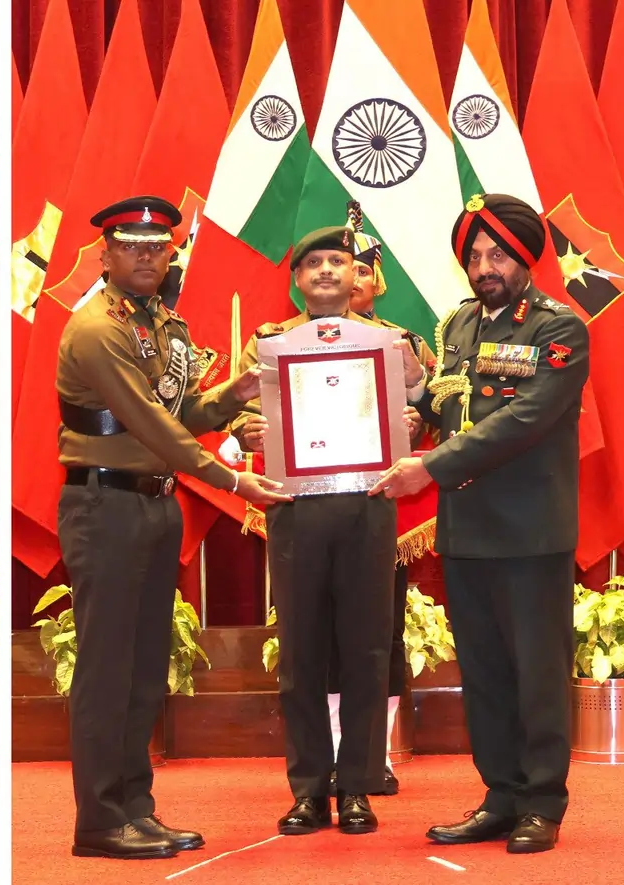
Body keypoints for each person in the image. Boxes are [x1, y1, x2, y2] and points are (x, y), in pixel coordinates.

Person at [56, 196, 290, 860]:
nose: (147, 257)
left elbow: (179, 409)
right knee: (108, 669)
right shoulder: (98, 327)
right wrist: (235, 481)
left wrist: (235, 393)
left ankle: (135, 806)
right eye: (132, 246)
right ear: (104, 254)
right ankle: (99, 819)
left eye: (158, 248)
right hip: (105, 507)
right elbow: (152, 425)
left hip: (152, 504)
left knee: (141, 668)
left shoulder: (161, 324)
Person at [372, 193, 588, 854]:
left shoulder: (559, 328)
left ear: (524, 258)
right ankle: (501, 794)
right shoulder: (459, 324)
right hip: (466, 529)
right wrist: (418, 412)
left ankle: (542, 801)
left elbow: (521, 420)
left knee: (537, 671)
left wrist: (430, 465)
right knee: (487, 672)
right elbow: (456, 405)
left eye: (498, 254)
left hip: (528, 531)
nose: (484, 265)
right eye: (474, 255)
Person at [229, 222, 427, 837]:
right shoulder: (268, 344)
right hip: (296, 509)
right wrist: (244, 431)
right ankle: (309, 790)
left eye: (336, 262)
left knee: (368, 651)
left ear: (356, 276)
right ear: (296, 281)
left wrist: (413, 421)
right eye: (311, 263)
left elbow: (422, 403)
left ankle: (359, 786)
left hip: (368, 507)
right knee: (301, 656)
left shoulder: (391, 342)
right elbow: (235, 411)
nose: (324, 272)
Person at [327, 209, 436, 797]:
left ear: (373, 277)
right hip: (312, 504)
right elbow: (258, 411)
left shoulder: (404, 342)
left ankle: (376, 754)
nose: (352, 278)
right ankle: (325, 752)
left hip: (381, 502)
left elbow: (436, 416)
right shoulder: (279, 337)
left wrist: (418, 417)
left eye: (360, 267)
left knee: (383, 632)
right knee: (318, 634)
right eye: (336, 265)